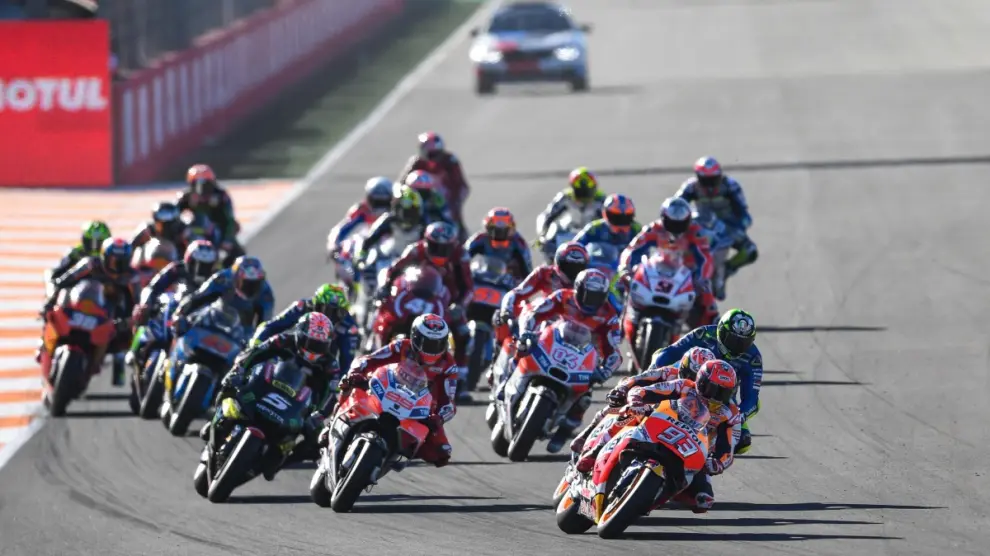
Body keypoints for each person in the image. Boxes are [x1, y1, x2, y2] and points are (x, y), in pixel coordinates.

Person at [574, 360, 740, 513]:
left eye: (723, 393)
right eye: (713, 390)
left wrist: (718, 463)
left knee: (703, 501)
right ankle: (595, 451)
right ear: (701, 382)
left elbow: (728, 450)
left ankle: (654, 498)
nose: (716, 397)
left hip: (693, 450)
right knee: (629, 415)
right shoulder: (683, 386)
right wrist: (636, 401)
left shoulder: (730, 414)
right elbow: (644, 391)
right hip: (660, 425)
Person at [210, 312, 339, 480]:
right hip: (266, 386)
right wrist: (238, 371)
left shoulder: (331, 364)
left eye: (320, 345)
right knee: (229, 388)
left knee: (317, 442)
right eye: (310, 342)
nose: (314, 349)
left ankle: (281, 461)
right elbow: (255, 353)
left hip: (299, 404)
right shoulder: (283, 339)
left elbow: (333, 393)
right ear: (299, 334)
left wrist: (319, 415)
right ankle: (217, 420)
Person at [510, 268, 623, 453]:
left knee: (585, 396)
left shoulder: (609, 316)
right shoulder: (562, 296)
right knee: (522, 350)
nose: (590, 300)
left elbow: (614, 351)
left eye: (596, 296)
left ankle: (564, 430)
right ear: (578, 289)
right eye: (587, 294)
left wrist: (605, 371)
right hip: (553, 342)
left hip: (584, 355)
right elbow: (534, 313)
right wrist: (527, 332)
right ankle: (508, 382)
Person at [337, 314, 458, 467]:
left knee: (441, 453)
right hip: (387, 390)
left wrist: (438, 418)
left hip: (419, 407)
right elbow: (369, 359)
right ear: (415, 338)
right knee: (349, 383)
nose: (433, 349)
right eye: (428, 343)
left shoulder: (448, 365)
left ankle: (395, 455)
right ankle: (333, 422)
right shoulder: (401, 346)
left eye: (439, 344)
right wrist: (357, 372)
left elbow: (449, 402)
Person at [648, 308, 761, 454]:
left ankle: (706, 455)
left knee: (742, 441)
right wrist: (653, 372)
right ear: (721, 331)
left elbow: (752, 399)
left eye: (743, 343)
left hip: (719, 398)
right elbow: (669, 352)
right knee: (656, 368)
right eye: (733, 340)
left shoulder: (753, 358)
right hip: (685, 383)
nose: (737, 348)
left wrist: (737, 417)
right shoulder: (704, 334)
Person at [569, 346, 716, 454]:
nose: (694, 382)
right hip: (648, 408)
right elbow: (638, 378)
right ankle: (592, 443)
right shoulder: (667, 373)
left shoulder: (706, 397)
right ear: (683, 367)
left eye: (700, 380)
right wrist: (622, 389)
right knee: (620, 408)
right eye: (691, 375)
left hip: (679, 424)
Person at [377, 222, 472, 373]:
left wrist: (460, 306)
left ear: (453, 246)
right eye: (435, 247)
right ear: (426, 242)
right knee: (386, 316)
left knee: (463, 332)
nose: (440, 252)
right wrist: (384, 288)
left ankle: (460, 372)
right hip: (414, 294)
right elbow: (393, 270)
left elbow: (468, 288)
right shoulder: (415, 250)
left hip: (447, 300)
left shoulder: (460, 255)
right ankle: (377, 354)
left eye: (445, 248)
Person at [40, 237, 138, 384]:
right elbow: (66, 279)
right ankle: (45, 347)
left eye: (121, 262)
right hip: (79, 306)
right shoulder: (90, 264)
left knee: (125, 345)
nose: (116, 266)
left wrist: (127, 322)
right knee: (51, 316)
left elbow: (136, 304)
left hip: (108, 318)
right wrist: (51, 299)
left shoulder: (131, 277)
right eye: (113, 261)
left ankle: (100, 369)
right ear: (103, 257)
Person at [620, 196, 719, 327]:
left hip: (686, 275)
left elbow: (705, 258)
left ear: (688, 220)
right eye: (672, 223)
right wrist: (625, 268)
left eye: (681, 223)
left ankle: (713, 327)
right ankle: (621, 324)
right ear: (663, 218)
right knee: (625, 286)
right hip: (658, 270)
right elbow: (633, 249)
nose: (676, 228)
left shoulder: (695, 232)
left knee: (707, 295)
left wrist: (702, 278)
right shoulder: (654, 228)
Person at [129, 240, 220, 369]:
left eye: (205, 266)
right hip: (173, 310)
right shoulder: (177, 268)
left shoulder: (218, 279)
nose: (199, 270)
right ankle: (135, 348)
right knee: (144, 314)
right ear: (188, 260)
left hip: (198, 321)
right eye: (195, 264)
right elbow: (152, 287)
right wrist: (146, 304)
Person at [675, 156, 757, 295]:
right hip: (701, 225)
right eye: (705, 180)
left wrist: (739, 227)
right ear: (698, 177)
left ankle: (726, 269)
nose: (710, 185)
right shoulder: (690, 187)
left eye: (713, 180)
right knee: (675, 244)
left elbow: (744, 214)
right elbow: (676, 205)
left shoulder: (731, 186)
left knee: (750, 252)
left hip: (727, 227)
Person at [250, 283, 360, 373]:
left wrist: (338, 386)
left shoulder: (349, 327)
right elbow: (271, 326)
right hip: (291, 354)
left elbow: (347, 363)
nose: (328, 317)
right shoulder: (302, 306)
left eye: (337, 312)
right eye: (326, 310)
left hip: (321, 367)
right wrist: (255, 345)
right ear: (315, 304)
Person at [173, 255, 274, 332]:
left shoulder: (266, 294)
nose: (250, 288)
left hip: (242, 333)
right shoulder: (223, 279)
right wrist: (179, 313)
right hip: (214, 320)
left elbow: (264, 325)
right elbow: (198, 297)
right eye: (245, 283)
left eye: (255, 284)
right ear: (235, 277)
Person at [397, 131, 470, 235]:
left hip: (445, 197)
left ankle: (459, 235)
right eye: (430, 154)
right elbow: (401, 183)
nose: (433, 159)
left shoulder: (450, 161)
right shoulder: (416, 162)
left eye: (436, 154)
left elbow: (461, 186)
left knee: (453, 218)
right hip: (418, 197)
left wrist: (454, 202)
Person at [177, 164, 245, 266]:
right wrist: (180, 232)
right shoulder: (185, 197)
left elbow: (229, 219)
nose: (201, 189)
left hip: (218, 231)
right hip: (194, 231)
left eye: (205, 185)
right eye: (197, 185)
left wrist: (227, 239)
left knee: (239, 254)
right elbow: (175, 215)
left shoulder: (221, 196)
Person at [535, 167, 607, 256]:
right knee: (552, 231)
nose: (583, 199)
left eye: (586, 192)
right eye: (580, 192)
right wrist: (543, 235)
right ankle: (551, 262)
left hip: (591, 236)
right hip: (568, 233)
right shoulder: (565, 197)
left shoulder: (601, 200)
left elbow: (609, 221)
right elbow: (547, 215)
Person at [325, 176, 395, 259]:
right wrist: (333, 245)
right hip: (366, 248)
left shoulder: (398, 211)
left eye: (383, 202)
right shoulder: (361, 210)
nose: (380, 206)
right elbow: (342, 228)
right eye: (376, 202)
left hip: (391, 249)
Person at [464, 207, 533, 280]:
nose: (499, 235)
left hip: (509, 283)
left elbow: (528, 273)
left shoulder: (519, 243)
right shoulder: (479, 239)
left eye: (504, 230)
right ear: (487, 228)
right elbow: (463, 257)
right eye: (495, 230)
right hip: (484, 278)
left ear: (511, 229)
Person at [46, 220, 112, 286]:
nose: (94, 247)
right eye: (90, 242)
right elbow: (53, 272)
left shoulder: (111, 254)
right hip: (77, 289)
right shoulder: (75, 252)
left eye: (99, 243)